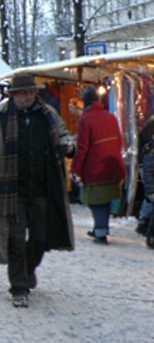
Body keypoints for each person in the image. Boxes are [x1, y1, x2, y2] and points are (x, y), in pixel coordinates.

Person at [0, 73, 75, 309]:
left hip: (42, 187)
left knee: (40, 238)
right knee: (15, 239)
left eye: (31, 92)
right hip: (12, 190)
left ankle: (28, 270)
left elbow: (63, 134)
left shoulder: (47, 115)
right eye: (22, 92)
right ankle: (19, 287)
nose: (27, 96)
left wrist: (69, 144)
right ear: (13, 95)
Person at [71, 86, 125, 245]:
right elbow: (120, 141)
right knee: (106, 199)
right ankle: (101, 227)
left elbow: (82, 147)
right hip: (113, 164)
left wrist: (76, 168)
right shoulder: (110, 116)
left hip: (95, 167)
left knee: (96, 201)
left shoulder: (85, 119)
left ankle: (101, 232)